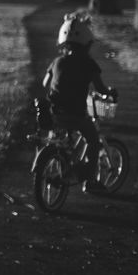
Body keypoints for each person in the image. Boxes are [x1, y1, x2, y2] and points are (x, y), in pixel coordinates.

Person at [41, 11, 117, 192]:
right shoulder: (88, 64)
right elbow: (100, 88)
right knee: (93, 140)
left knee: (61, 137)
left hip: (54, 112)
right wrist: (110, 93)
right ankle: (90, 181)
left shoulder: (57, 61)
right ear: (86, 44)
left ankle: (65, 164)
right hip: (74, 114)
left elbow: (45, 83)